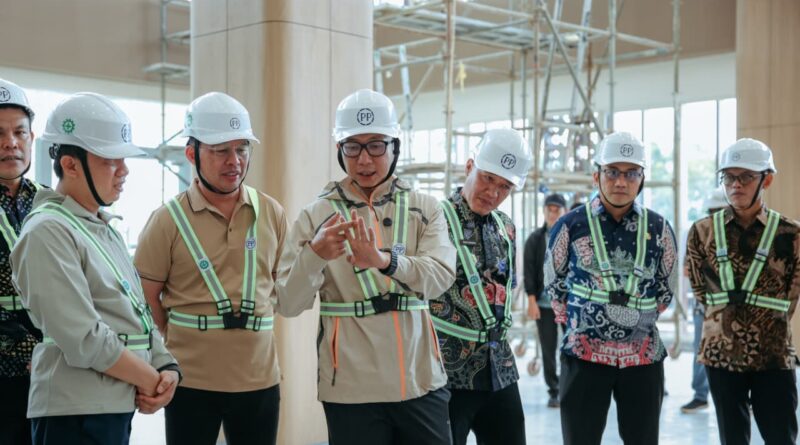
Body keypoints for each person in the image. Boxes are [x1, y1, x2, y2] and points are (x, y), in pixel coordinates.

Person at [275, 88, 456, 444]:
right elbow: (287, 302)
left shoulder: (425, 208)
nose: (364, 159)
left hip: (420, 379)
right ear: (339, 150)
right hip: (350, 388)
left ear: (394, 147)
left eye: (376, 146)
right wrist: (314, 255)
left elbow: (440, 277)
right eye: (352, 147)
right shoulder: (316, 215)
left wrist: (385, 261)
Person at [10, 92, 180, 444]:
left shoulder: (101, 228)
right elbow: (83, 337)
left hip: (112, 404)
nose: (124, 171)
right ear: (71, 165)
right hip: (75, 413)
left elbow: (137, 313)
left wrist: (166, 367)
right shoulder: (47, 231)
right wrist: (150, 379)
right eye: (110, 161)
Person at [134, 92, 284, 445]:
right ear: (192, 154)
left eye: (242, 149)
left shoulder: (271, 212)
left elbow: (279, 286)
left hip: (260, 378)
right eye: (220, 151)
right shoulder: (166, 220)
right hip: (191, 380)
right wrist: (170, 348)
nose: (235, 161)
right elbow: (145, 300)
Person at [544, 131, 678, 445]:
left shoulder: (658, 227)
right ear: (596, 175)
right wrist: (583, 321)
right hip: (584, 356)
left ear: (642, 179)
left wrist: (637, 317)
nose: (621, 181)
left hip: (642, 359)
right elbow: (554, 282)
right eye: (612, 172)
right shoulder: (570, 225)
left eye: (631, 173)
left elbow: (667, 285)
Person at [686, 138, 799, 444]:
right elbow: (700, 288)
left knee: (781, 437)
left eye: (746, 177)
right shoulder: (702, 231)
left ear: (766, 180)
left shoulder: (791, 233)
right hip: (720, 354)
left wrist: (763, 318)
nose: (736, 185)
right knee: (732, 438)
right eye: (729, 177)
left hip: (773, 353)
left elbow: (792, 293)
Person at [429, 128, 531, 444]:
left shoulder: (506, 227)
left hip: (499, 367)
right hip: (448, 371)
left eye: (505, 186)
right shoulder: (434, 220)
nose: (493, 192)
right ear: (470, 166)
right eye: (488, 178)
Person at [0, 78, 42, 445]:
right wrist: (29, 349)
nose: (10, 143)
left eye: (19, 132)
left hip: (51, 373)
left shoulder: (50, 203)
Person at [680, 187, 726, 414]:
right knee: (702, 349)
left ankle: (733, 398)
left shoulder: (739, 236)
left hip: (732, 306)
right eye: (713, 211)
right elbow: (687, 270)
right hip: (705, 305)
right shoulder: (699, 233)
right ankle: (700, 395)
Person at [524, 192, 567, 408]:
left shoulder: (572, 237)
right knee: (548, 349)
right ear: (544, 211)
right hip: (544, 305)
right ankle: (554, 391)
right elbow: (529, 271)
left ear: (564, 212)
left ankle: (569, 387)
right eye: (549, 210)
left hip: (568, 304)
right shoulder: (535, 239)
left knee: (571, 348)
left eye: (557, 210)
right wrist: (531, 301)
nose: (553, 214)